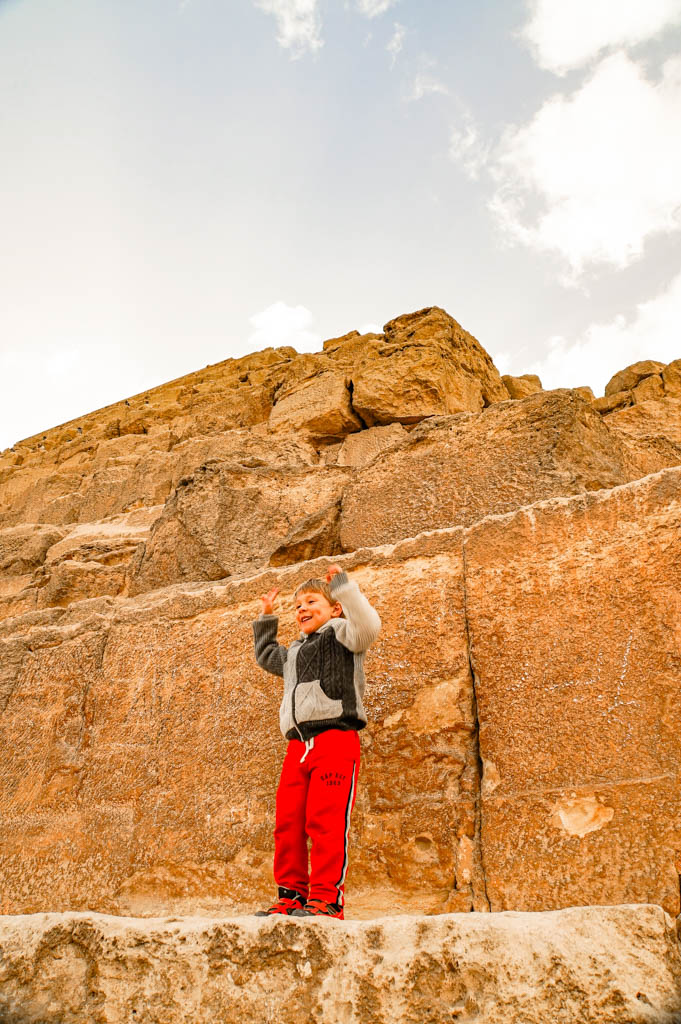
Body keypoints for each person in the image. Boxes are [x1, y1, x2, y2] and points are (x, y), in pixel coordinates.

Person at [252, 564, 381, 919]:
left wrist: (342, 587)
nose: (302, 609)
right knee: (288, 823)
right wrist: (266, 618)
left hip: (335, 739)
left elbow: (369, 626)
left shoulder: (343, 634)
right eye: (297, 605)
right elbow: (266, 656)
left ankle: (326, 899)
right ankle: (292, 895)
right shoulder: (294, 651)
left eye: (311, 601)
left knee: (326, 821)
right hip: (298, 746)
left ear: (334, 609)